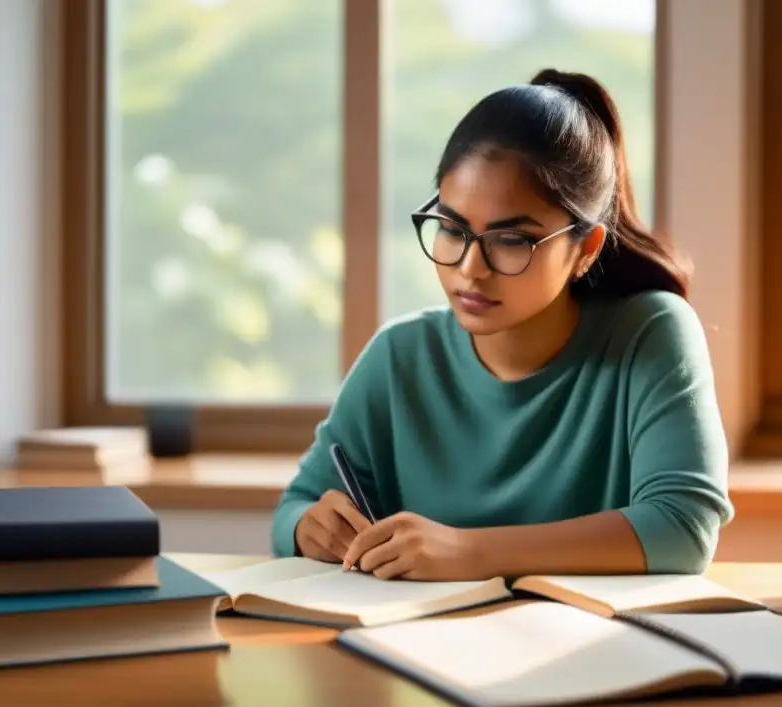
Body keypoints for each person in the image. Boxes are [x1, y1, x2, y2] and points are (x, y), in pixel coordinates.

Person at [271, 68, 733, 581]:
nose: (471, 267)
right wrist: (305, 528)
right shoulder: (399, 356)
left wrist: (467, 553)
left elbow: (682, 529)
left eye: (511, 239)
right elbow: (297, 506)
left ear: (585, 250)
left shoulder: (650, 333)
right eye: (452, 228)